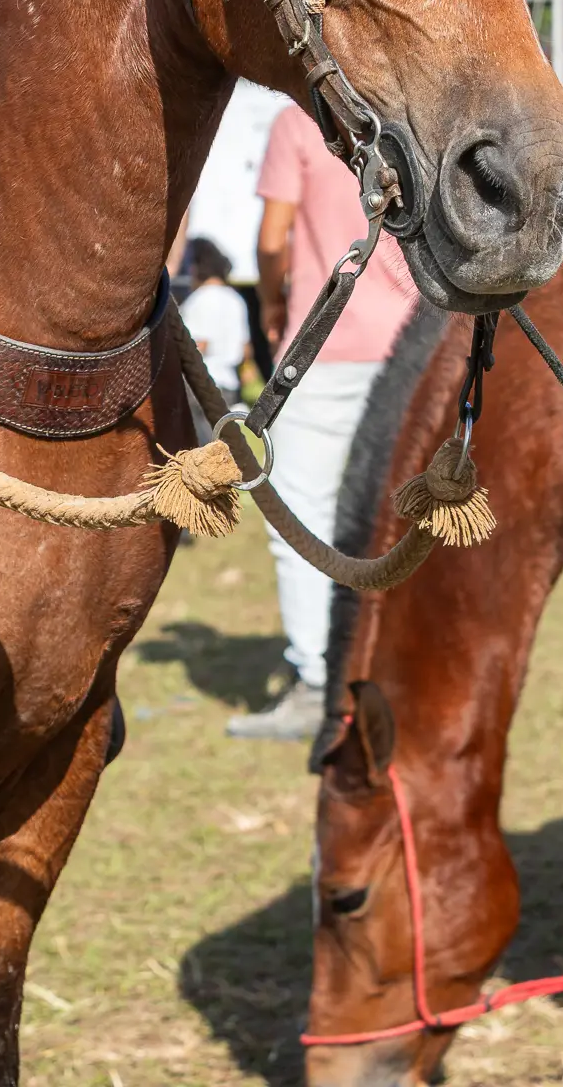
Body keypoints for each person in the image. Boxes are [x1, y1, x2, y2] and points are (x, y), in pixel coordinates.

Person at [225, 103, 417, 742]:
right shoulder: (404, 113)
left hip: (319, 347)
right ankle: (390, 668)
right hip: (407, 350)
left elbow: (272, 239)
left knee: (300, 518)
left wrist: (276, 309)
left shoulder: (294, 122)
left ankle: (317, 682)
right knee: (393, 519)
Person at [178, 237, 251, 407]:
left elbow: (199, 344)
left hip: (201, 387)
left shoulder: (199, 299)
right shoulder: (236, 299)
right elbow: (245, 349)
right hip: (231, 385)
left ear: (196, 267)